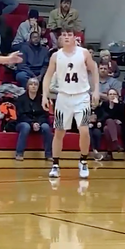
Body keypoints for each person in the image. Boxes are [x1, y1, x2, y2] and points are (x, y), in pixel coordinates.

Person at [42, 26, 99, 179]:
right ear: (60, 38)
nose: (66, 37)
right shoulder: (56, 56)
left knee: (84, 130)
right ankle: (55, 164)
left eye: (69, 34)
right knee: (59, 132)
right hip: (63, 97)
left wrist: (96, 90)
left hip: (82, 97)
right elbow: (47, 76)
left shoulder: (84, 53)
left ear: (75, 37)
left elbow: (94, 70)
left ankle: (83, 160)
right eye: (64, 35)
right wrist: (44, 95)